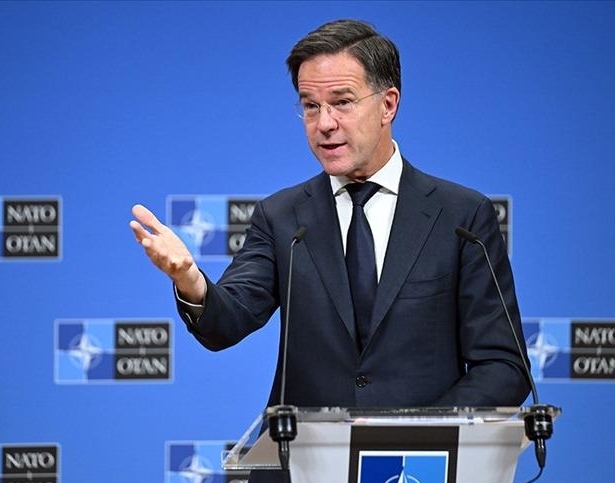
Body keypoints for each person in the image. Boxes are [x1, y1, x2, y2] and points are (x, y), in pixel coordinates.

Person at [131, 14, 529, 424]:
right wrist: (190, 280)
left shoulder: (461, 216)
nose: (324, 124)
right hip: (305, 456)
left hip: (419, 458)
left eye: (342, 102)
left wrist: (415, 436)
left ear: (388, 105)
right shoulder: (282, 217)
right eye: (310, 106)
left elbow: (503, 368)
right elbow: (226, 322)